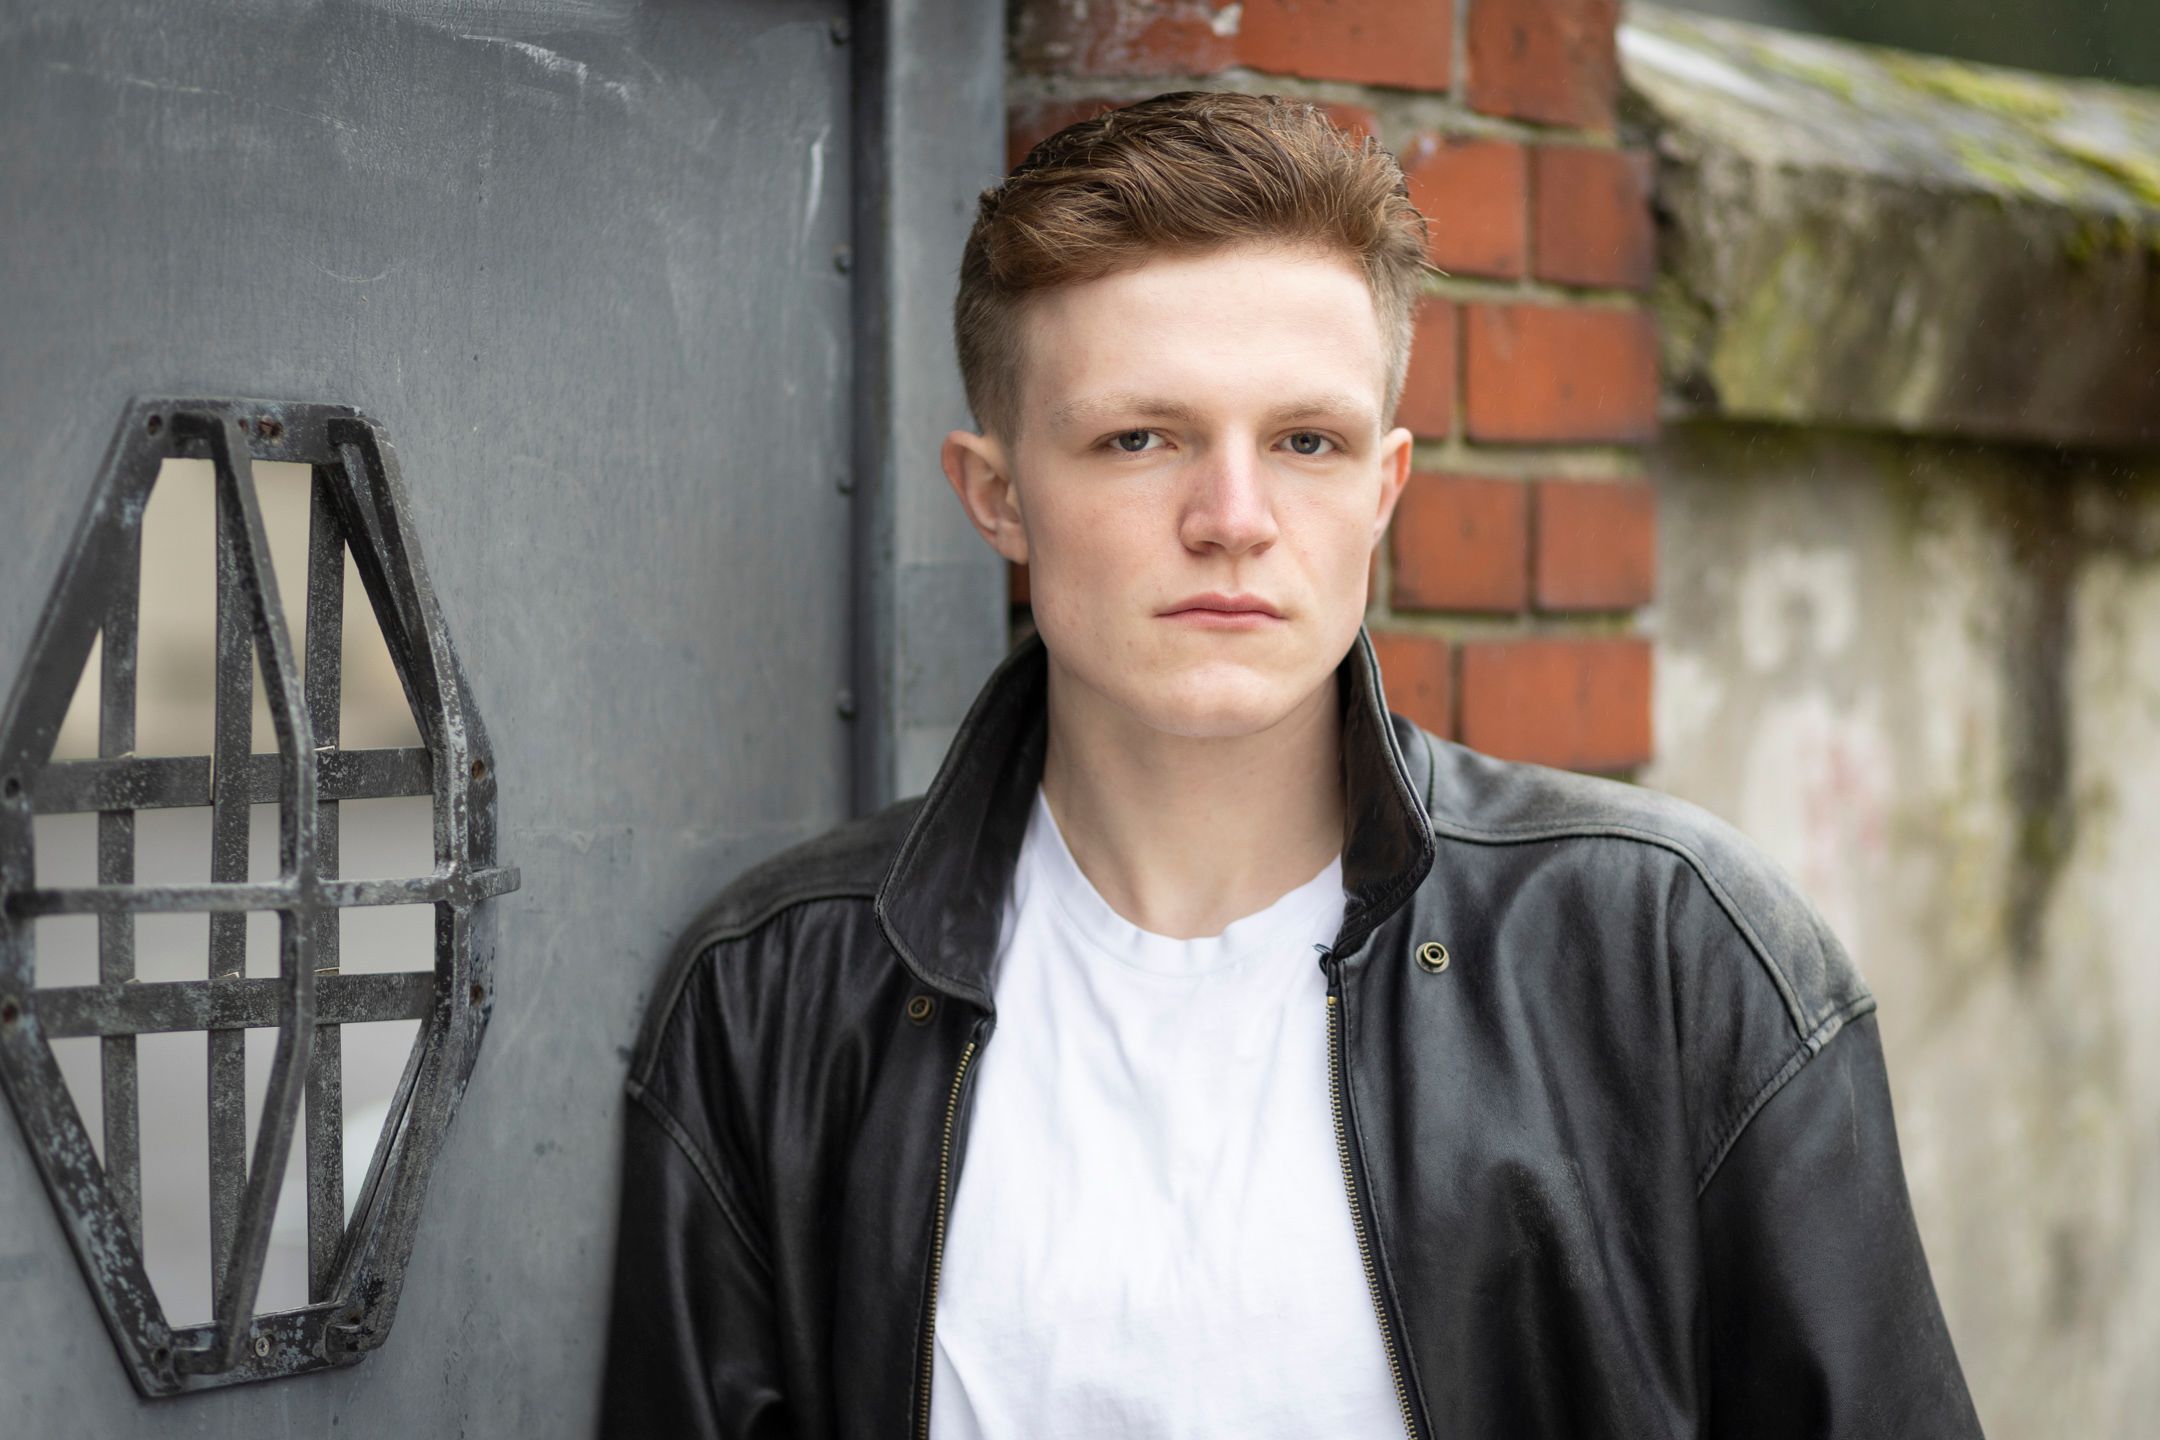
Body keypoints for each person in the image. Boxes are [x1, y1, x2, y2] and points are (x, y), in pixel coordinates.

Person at [597, 90, 1983, 1439]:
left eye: (1306, 442)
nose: (1234, 517)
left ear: (1383, 489)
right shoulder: (778, 992)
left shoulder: (1670, 950)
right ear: (999, 496)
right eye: (1140, 438)